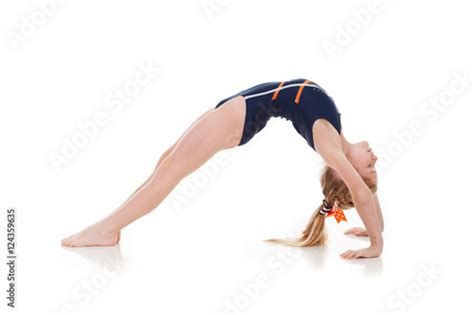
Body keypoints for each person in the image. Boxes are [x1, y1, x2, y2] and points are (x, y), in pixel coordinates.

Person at [61, 78, 384, 260]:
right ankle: (111, 225)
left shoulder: (329, 144)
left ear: (346, 173)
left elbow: (360, 193)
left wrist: (375, 246)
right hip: (240, 107)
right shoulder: (336, 135)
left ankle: (106, 230)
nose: (375, 160)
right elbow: (363, 192)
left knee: (168, 174)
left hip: (239, 116)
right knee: (165, 163)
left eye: (369, 169)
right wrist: (376, 230)